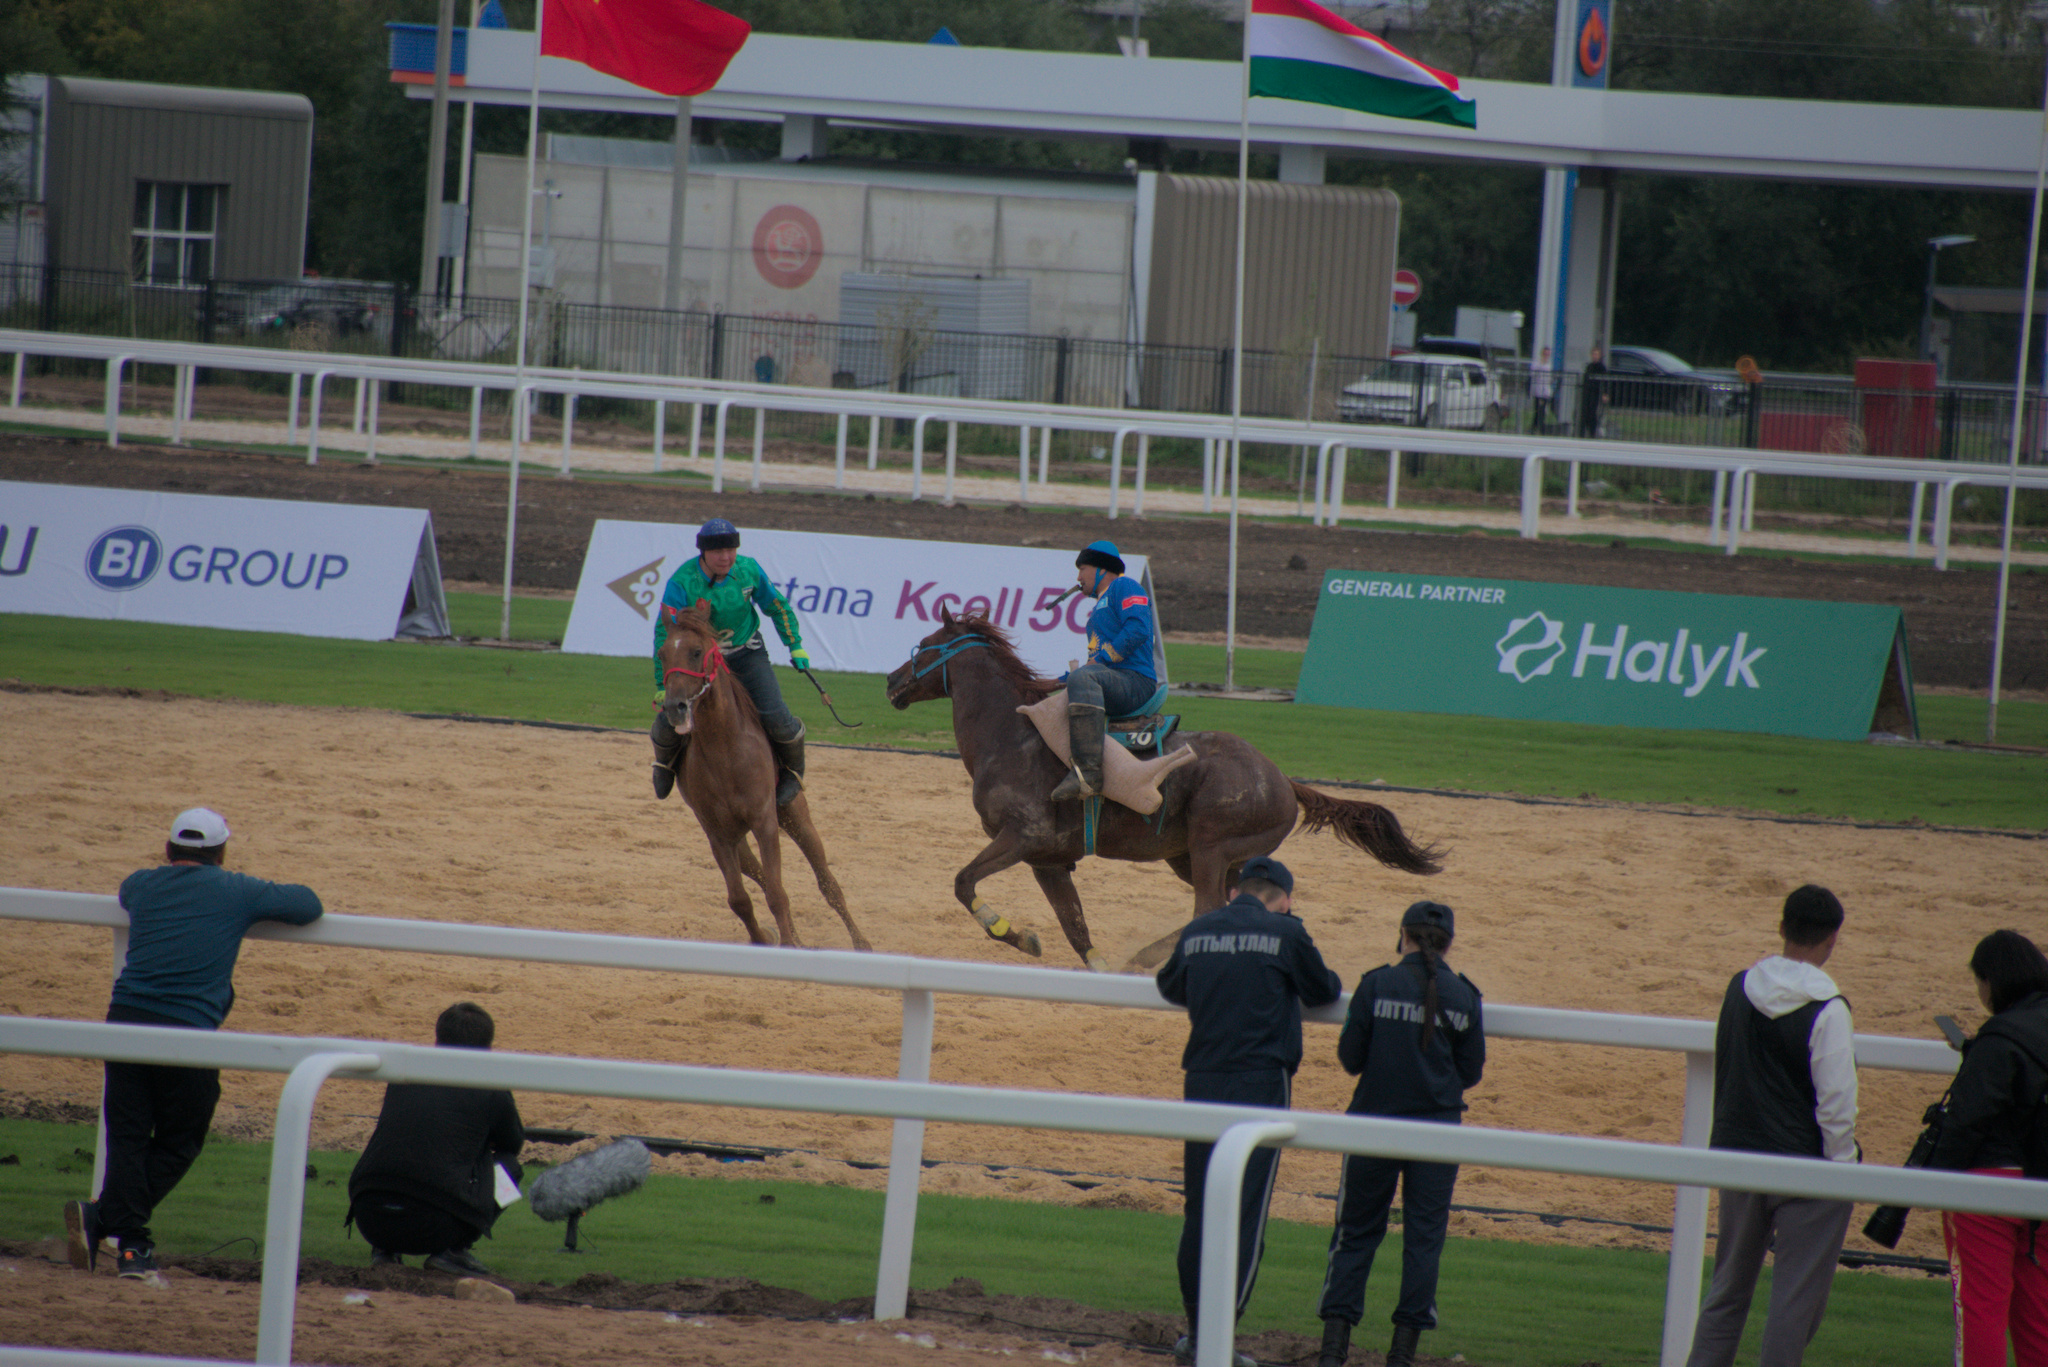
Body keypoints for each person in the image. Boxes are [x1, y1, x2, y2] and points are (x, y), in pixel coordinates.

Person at [64, 808, 324, 1279]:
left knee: (127, 1138)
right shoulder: (237, 890)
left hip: (122, 1021)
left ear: (168, 849)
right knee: (181, 1140)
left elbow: (129, 891)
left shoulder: (141, 884)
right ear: (220, 853)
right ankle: (125, 1237)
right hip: (186, 1031)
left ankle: (117, 1230)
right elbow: (308, 905)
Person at [1157, 855, 1342, 1367]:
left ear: (1236, 892)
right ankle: (1216, 1342)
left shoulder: (1200, 927)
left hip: (1203, 1078)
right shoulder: (1286, 932)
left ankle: (1197, 1334)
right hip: (1261, 1082)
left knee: (1200, 1206)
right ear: (1282, 899)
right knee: (1245, 1213)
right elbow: (1323, 990)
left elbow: (1169, 986)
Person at [1683, 885, 1859, 1367]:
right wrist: (1843, 1165)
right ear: (1832, 940)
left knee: (1727, 1292)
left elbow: (1730, 1067)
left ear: (1782, 928)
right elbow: (1837, 1102)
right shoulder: (1829, 1006)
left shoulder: (1739, 986)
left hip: (1741, 1158)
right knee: (1792, 1303)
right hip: (1805, 1168)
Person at [1315, 900, 1485, 1367]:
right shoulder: (1466, 997)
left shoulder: (1376, 984)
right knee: (1424, 1239)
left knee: (1354, 1233)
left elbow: (1350, 1058)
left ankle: (1333, 1350)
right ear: (1449, 944)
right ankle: (1401, 1356)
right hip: (1437, 1130)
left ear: (1402, 936)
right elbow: (1470, 1072)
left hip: (1373, 1123)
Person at [1924, 929, 2048, 1367]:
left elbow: (1967, 1120)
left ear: (1993, 980)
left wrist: (1935, 1182)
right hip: (2041, 1189)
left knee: (1981, 1311)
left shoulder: (2000, 1037)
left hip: (1987, 1190)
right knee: (2039, 1319)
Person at [346, 1002, 525, 1276]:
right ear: (488, 1047)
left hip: (369, 1217)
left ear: (438, 1039)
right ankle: (454, 1251)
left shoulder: (402, 1074)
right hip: (435, 1226)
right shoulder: (491, 1085)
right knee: (510, 1168)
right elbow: (511, 1145)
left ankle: (384, 1252)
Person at [649, 517, 810, 806]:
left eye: (730, 550)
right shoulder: (682, 581)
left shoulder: (748, 570)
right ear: (703, 553)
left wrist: (795, 645)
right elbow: (665, 631)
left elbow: (777, 607)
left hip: (747, 654)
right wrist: (663, 682)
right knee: (668, 718)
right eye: (717, 552)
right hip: (701, 661)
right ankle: (664, 765)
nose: (725, 558)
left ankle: (793, 773)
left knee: (778, 720)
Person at [1052, 539, 1157, 802]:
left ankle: (1087, 773)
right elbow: (1093, 665)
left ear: (1102, 569)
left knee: (1083, 677)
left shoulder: (1125, 585)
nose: (1078, 577)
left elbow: (1138, 630)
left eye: (1082, 568)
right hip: (1112, 679)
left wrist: (1100, 660)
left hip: (1135, 681)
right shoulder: (1098, 608)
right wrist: (1051, 682)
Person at [1576, 344, 1609, 438]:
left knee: (1592, 413)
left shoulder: (1601, 367)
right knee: (1584, 413)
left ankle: (1592, 433)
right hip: (1587, 392)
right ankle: (1582, 433)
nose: (1594, 356)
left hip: (1595, 392)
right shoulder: (1589, 366)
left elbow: (1605, 381)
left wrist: (1605, 393)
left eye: (1596, 354)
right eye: (1593, 354)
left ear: (1599, 355)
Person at [1528, 347, 1557, 433]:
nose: (1546, 356)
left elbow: (1550, 377)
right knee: (1538, 410)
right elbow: (1533, 373)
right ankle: (1536, 427)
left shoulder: (1549, 364)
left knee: (1543, 410)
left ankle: (1539, 427)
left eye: (1548, 354)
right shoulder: (1537, 363)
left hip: (1546, 391)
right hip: (1538, 390)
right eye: (1545, 354)